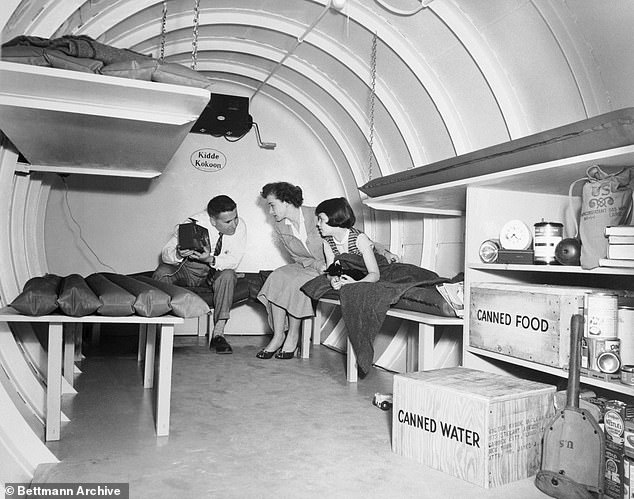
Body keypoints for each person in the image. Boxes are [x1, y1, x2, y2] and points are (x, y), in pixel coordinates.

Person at [256, 182, 399, 360]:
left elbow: (355, 236)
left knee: (295, 284)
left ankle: (292, 337)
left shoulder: (318, 215)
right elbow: (297, 257)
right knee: (277, 276)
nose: (270, 211)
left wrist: (384, 252)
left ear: (285, 201)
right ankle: (278, 336)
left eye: (272, 205)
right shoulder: (280, 226)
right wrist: (316, 265)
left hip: (332, 265)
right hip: (311, 265)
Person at [153, 195, 246, 354]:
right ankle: (157, 334)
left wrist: (209, 258)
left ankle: (218, 335)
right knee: (162, 273)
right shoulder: (191, 223)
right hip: (188, 270)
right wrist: (179, 253)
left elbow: (234, 260)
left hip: (214, 272)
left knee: (229, 275)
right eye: (228, 222)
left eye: (235, 217)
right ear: (213, 221)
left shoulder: (240, 226)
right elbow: (165, 255)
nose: (234, 224)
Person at [315, 197, 380, 290]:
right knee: (315, 286)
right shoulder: (327, 243)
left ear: (334, 218)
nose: (318, 224)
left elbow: (375, 274)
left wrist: (355, 283)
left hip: (369, 275)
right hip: (350, 276)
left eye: (321, 219)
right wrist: (333, 280)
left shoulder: (359, 239)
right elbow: (330, 272)